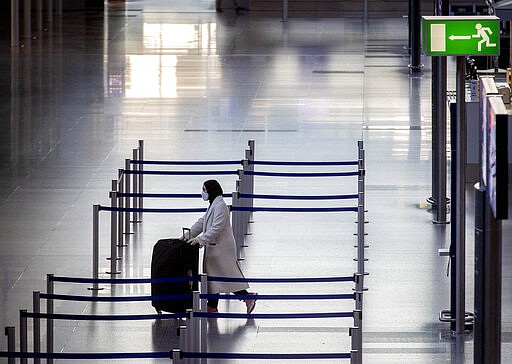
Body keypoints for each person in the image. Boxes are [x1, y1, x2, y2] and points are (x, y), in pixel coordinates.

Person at [185, 179, 257, 314]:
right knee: (214, 281)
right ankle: (212, 307)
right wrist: (187, 236)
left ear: (211, 190)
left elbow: (216, 229)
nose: (203, 193)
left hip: (221, 249)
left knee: (226, 278)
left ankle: (247, 297)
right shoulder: (214, 205)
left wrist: (200, 240)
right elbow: (202, 222)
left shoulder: (220, 206)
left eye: (205, 190)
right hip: (215, 249)